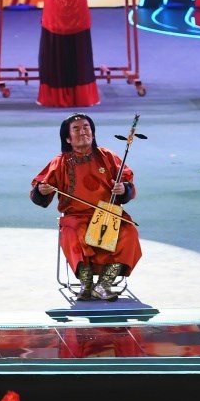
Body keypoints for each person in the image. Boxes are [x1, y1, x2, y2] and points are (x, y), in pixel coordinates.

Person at [31, 113, 142, 300]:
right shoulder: (60, 162)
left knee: (128, 232)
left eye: (86, 127)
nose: (83, 132)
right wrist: (41, 190)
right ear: (68, 138)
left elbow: (127, 183)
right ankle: (86, 283)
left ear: (93, 133)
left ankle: (104, 283)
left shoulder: (107, 156)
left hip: (108, 214)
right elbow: (40, 191)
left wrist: (124, 188)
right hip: (76, 217)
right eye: (76, 129)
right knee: (74, 233)